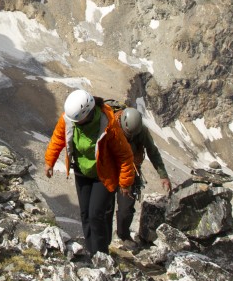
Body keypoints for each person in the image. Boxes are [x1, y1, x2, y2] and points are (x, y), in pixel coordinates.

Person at [44, 89, 135, 256]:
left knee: (95, 215)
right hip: (82, 171)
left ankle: (101, 255)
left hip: (104, 175)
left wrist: (125, 183)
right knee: (85, 214)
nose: (75, 123)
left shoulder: (108, 124)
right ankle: (91, 251)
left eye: (78, 120)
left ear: (88, 113)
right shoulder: (70, 118)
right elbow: (58, 138)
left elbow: (124, 155)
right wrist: (49, 161)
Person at [114, 106, 172, 243]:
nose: (131, 136)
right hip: (110, 171)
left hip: (131, 172)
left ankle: (123, 235)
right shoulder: (111, 127)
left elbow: (153, 152)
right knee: (104, 207)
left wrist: (163, 175)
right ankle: (101, 240)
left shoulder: (142, 132)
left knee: (126, 209)